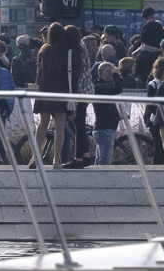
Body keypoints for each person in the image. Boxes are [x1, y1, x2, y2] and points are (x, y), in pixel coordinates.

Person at [32, 22, 76, 169]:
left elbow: (39, 72)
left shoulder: (44, 50)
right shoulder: (67, 51)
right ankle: (56, 160)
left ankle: (35, 156)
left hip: (44, 89)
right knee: (59, 126)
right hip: (61, 91)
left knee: (42, 123)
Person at [63, 24, 94, 169]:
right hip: (87, 90)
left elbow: (75, 76)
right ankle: (86, 155)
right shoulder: (81, 46)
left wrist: (72, 99)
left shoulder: (72, 51)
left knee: (77, 125)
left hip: (78, 92)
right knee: (77, 124)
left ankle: (78, 158)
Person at [91, 61, 123, 166]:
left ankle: (97, 180)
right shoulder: (99, 87)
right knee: (105, 163)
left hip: (105, 130)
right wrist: (116, 75)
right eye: (111, 71)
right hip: (105, 130)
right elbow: (118, 88)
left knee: (100, 161)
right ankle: (103, 181)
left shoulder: (102, 86)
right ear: (106, 73)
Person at [144, 56, 164, 164]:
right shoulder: (153, 84)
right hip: (156, 120)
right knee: (159, 146)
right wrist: (159, 114)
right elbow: (151, 104)